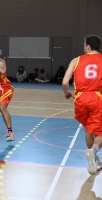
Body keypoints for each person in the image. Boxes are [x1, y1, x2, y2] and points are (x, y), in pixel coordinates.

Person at [62, 35, 102, 175]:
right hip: (97, 97)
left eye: (85, 45)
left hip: (80, 98)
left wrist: (66, 93)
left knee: (88, 130)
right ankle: (94, 152)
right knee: (100, 132)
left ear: (88, 46)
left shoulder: (76, 60)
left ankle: (94, 159)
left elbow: (65, 83)